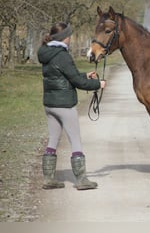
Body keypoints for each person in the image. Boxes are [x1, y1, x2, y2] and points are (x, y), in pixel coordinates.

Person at [38, 22, 106, 190]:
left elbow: (64, 76)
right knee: (75, 140)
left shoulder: (46, 53)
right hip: (64, 104)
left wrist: (85, 75)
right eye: (69, 35)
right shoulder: (62, 55)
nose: (71, 38)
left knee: (53, 139)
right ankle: (81, 180)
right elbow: (76, 81)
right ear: (64, 38)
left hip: (50, 104)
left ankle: (48, 179)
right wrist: (98, 84)